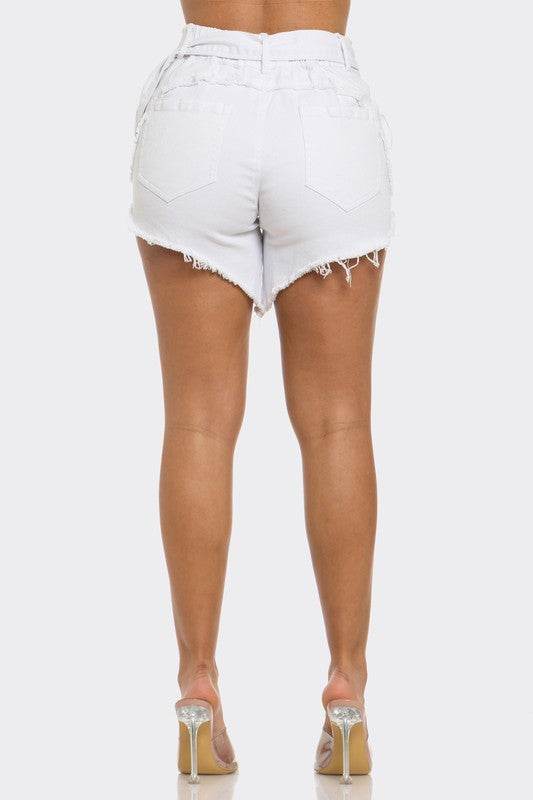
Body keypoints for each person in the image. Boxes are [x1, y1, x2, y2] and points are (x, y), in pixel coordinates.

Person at [130, 0, 392, 785]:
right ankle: (346, 690)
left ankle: (196, 686)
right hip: (323, 106)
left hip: (198, 106)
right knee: (338, 422)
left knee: (197, 422)